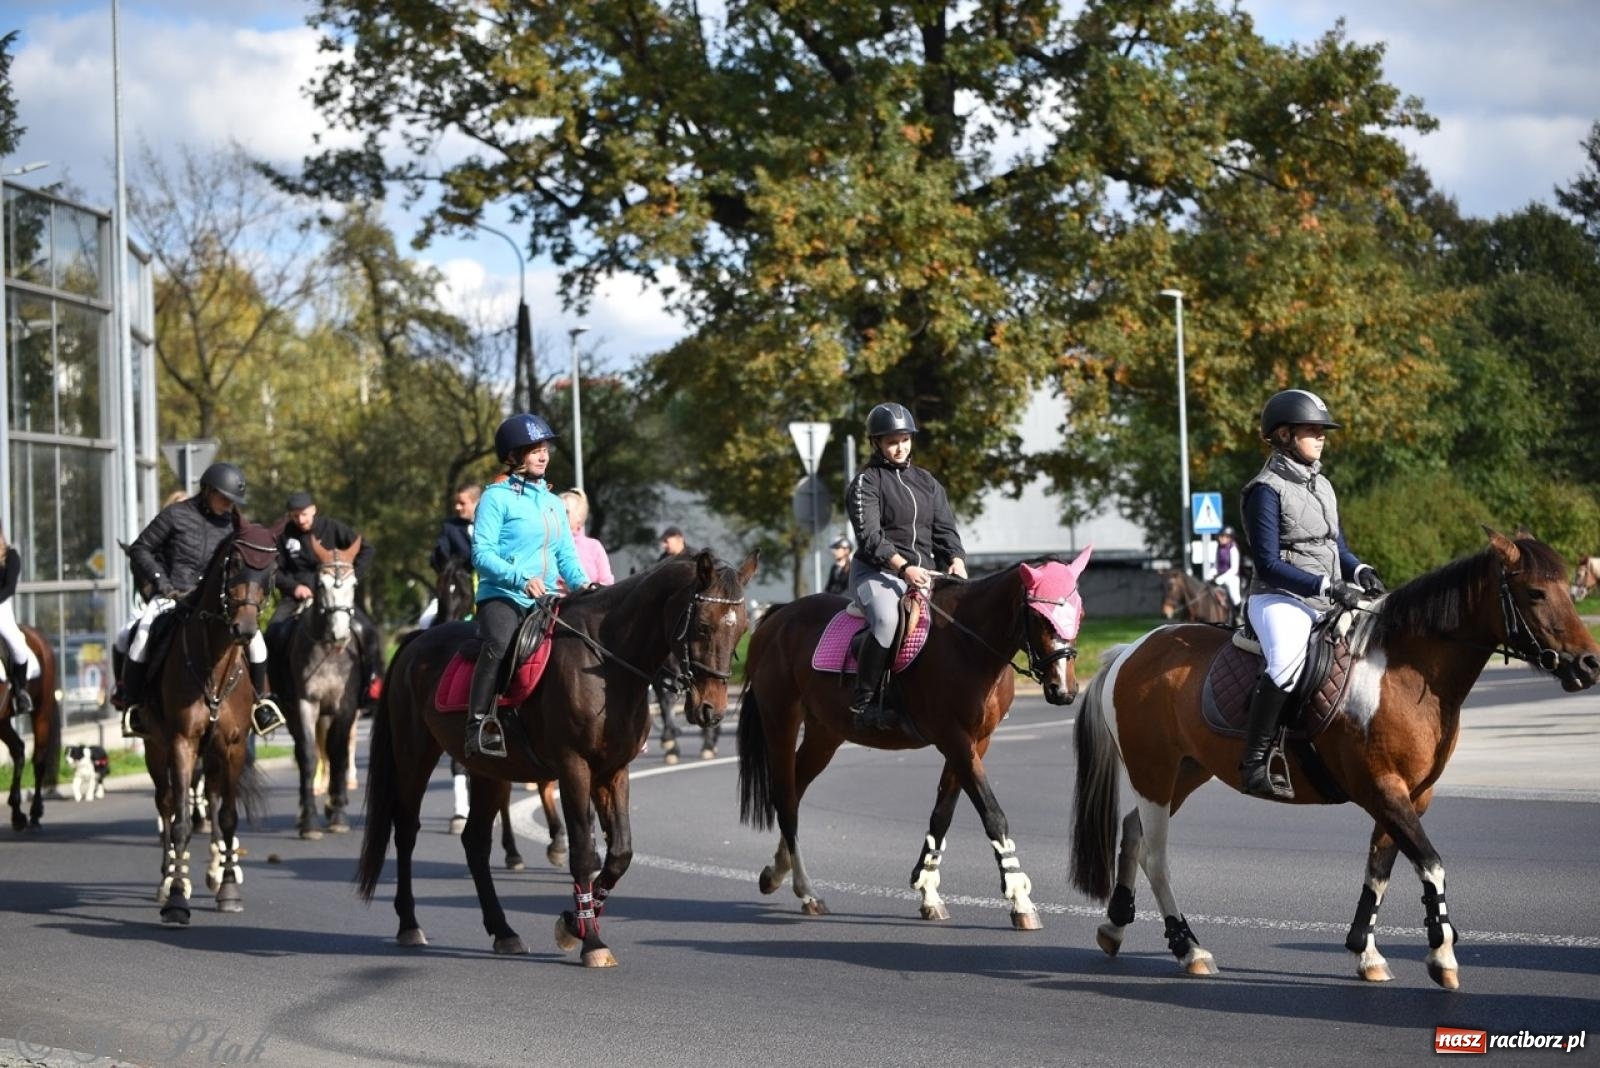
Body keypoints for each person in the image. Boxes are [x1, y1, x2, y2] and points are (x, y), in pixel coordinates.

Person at [1238, 389, 1385, 799]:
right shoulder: (1264, 490)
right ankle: (1254, 762)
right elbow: (1268, 563)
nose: (1321, 437)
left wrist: (1359, 568)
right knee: (1286, 660)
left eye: (1323, 431)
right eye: (1312, 430)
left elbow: (1334, 545)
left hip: (1328, 593)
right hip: (1278, 597)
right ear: (1284, 435)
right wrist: (1326, 585)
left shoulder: (1323, 485)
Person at [114, 462, 285, 739]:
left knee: (257, 643)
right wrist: (162, 583)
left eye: (234, 501)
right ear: (207, 490)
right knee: (141, 636)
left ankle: (262, 704)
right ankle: (134, 707)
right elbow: (140, 548)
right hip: (173, 595)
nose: (229, 504)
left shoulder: (234, 525)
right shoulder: (176, 515)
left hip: (217, 602)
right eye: (224, 497)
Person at [465, 413, 592, 759]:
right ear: (513, 456)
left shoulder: (552, 502)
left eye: (545, 448)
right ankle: (479, 724)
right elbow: (482, 554)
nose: (543, 455)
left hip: (548, 597)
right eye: (533, 449)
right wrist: (519, 578)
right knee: (500, 643)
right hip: (503, 595)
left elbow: (566, 552)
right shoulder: (496, 498)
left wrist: (585, 586)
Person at [845, 402, 968, 730]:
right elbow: (870, 538)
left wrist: (955, 559)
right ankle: (865, 702)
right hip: (878, 572)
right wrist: (903, 568)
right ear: (876, 444)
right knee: (887, 620)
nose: (899, 448)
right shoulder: (865, 484)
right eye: (891, 442)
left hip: (925, 572)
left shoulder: (927, 482)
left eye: (904, 440)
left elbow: (945, 530)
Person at [270, 490, 382, 715]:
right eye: (294, 516)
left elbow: (367, 549)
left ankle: (372, 688)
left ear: (313, 510)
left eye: (303, 514)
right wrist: (294, 588)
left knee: (367, 630)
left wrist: (352, 578)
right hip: (297, 597)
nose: (300, 520)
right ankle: (276, 694)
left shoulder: (332, 527)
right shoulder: (283, 535)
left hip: (336, 596)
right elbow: (274, 569)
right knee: (273, 634)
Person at [419, 482, 481, 628]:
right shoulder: (450, 527)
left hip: (488, 587)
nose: (457, 507)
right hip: (458, 586)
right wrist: (440, 557)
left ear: (477, 503)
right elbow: (441, 554)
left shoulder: (492, 524)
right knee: (424, 622)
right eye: (456, 503)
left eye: (462, 503)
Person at [0, 523, 39, 715]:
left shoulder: (11, 557)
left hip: (1, 607)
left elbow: (10, 588)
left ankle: (20, 691)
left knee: (17, 645)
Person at [561, 488, 615, 587]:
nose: (559, 516)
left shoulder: (594, 546)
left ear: (579, 516)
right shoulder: (548, 545)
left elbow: (607, 583)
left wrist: (588, 589)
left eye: (566, 512)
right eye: (556, 511)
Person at [1211, 526, 1242, 622]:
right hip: (1219, 576)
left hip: (1231, 577)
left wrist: (1221, 579)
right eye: (1220, 536)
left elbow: (1234, 569)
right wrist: (1210, 574)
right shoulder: (1218, 548)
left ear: (1229, 538)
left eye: (1224, 536)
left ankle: (1239, 618)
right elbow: (1216, 566)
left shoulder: (1233, 549)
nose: (1221, 538)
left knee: (1235, 597)